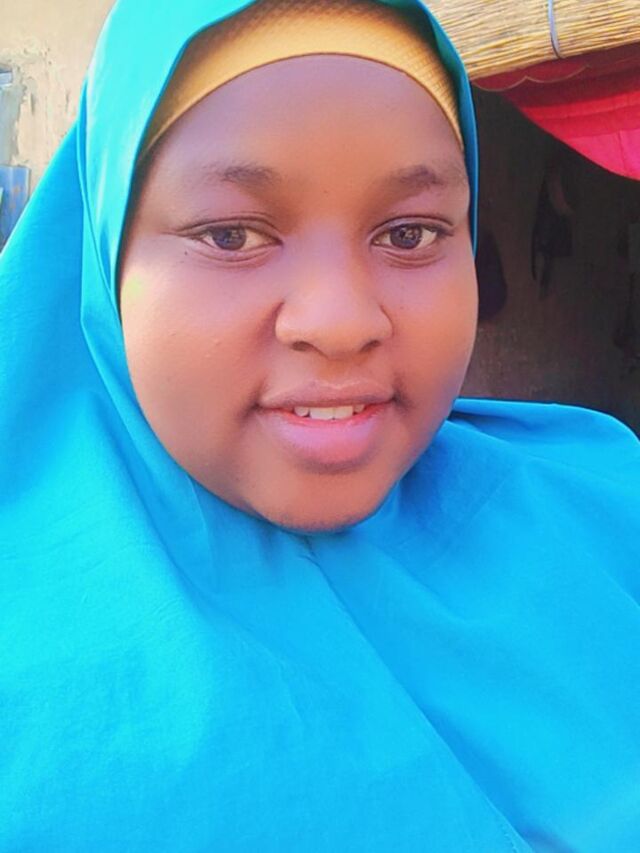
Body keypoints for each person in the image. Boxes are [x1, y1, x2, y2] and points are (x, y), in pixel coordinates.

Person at [0, 0, 638, 849]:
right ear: (108, 257)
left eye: (409, 232)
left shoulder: (606, 512)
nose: (340, 322)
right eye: (232, 234)